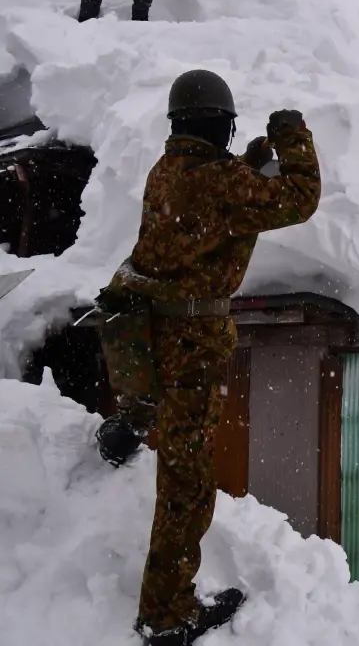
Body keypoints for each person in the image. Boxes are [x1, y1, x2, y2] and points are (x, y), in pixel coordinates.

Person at [92, 69, 321, 645]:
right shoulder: (222, 181)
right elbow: (299, 199)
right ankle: (166, 617)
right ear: (220, 122)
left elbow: (211, 202)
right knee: (185, 484)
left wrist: (246, 162)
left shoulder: (166, 169)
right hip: (191, 341)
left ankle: (126, 427)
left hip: (153, 331)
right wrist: (293, 138)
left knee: (169, 445)